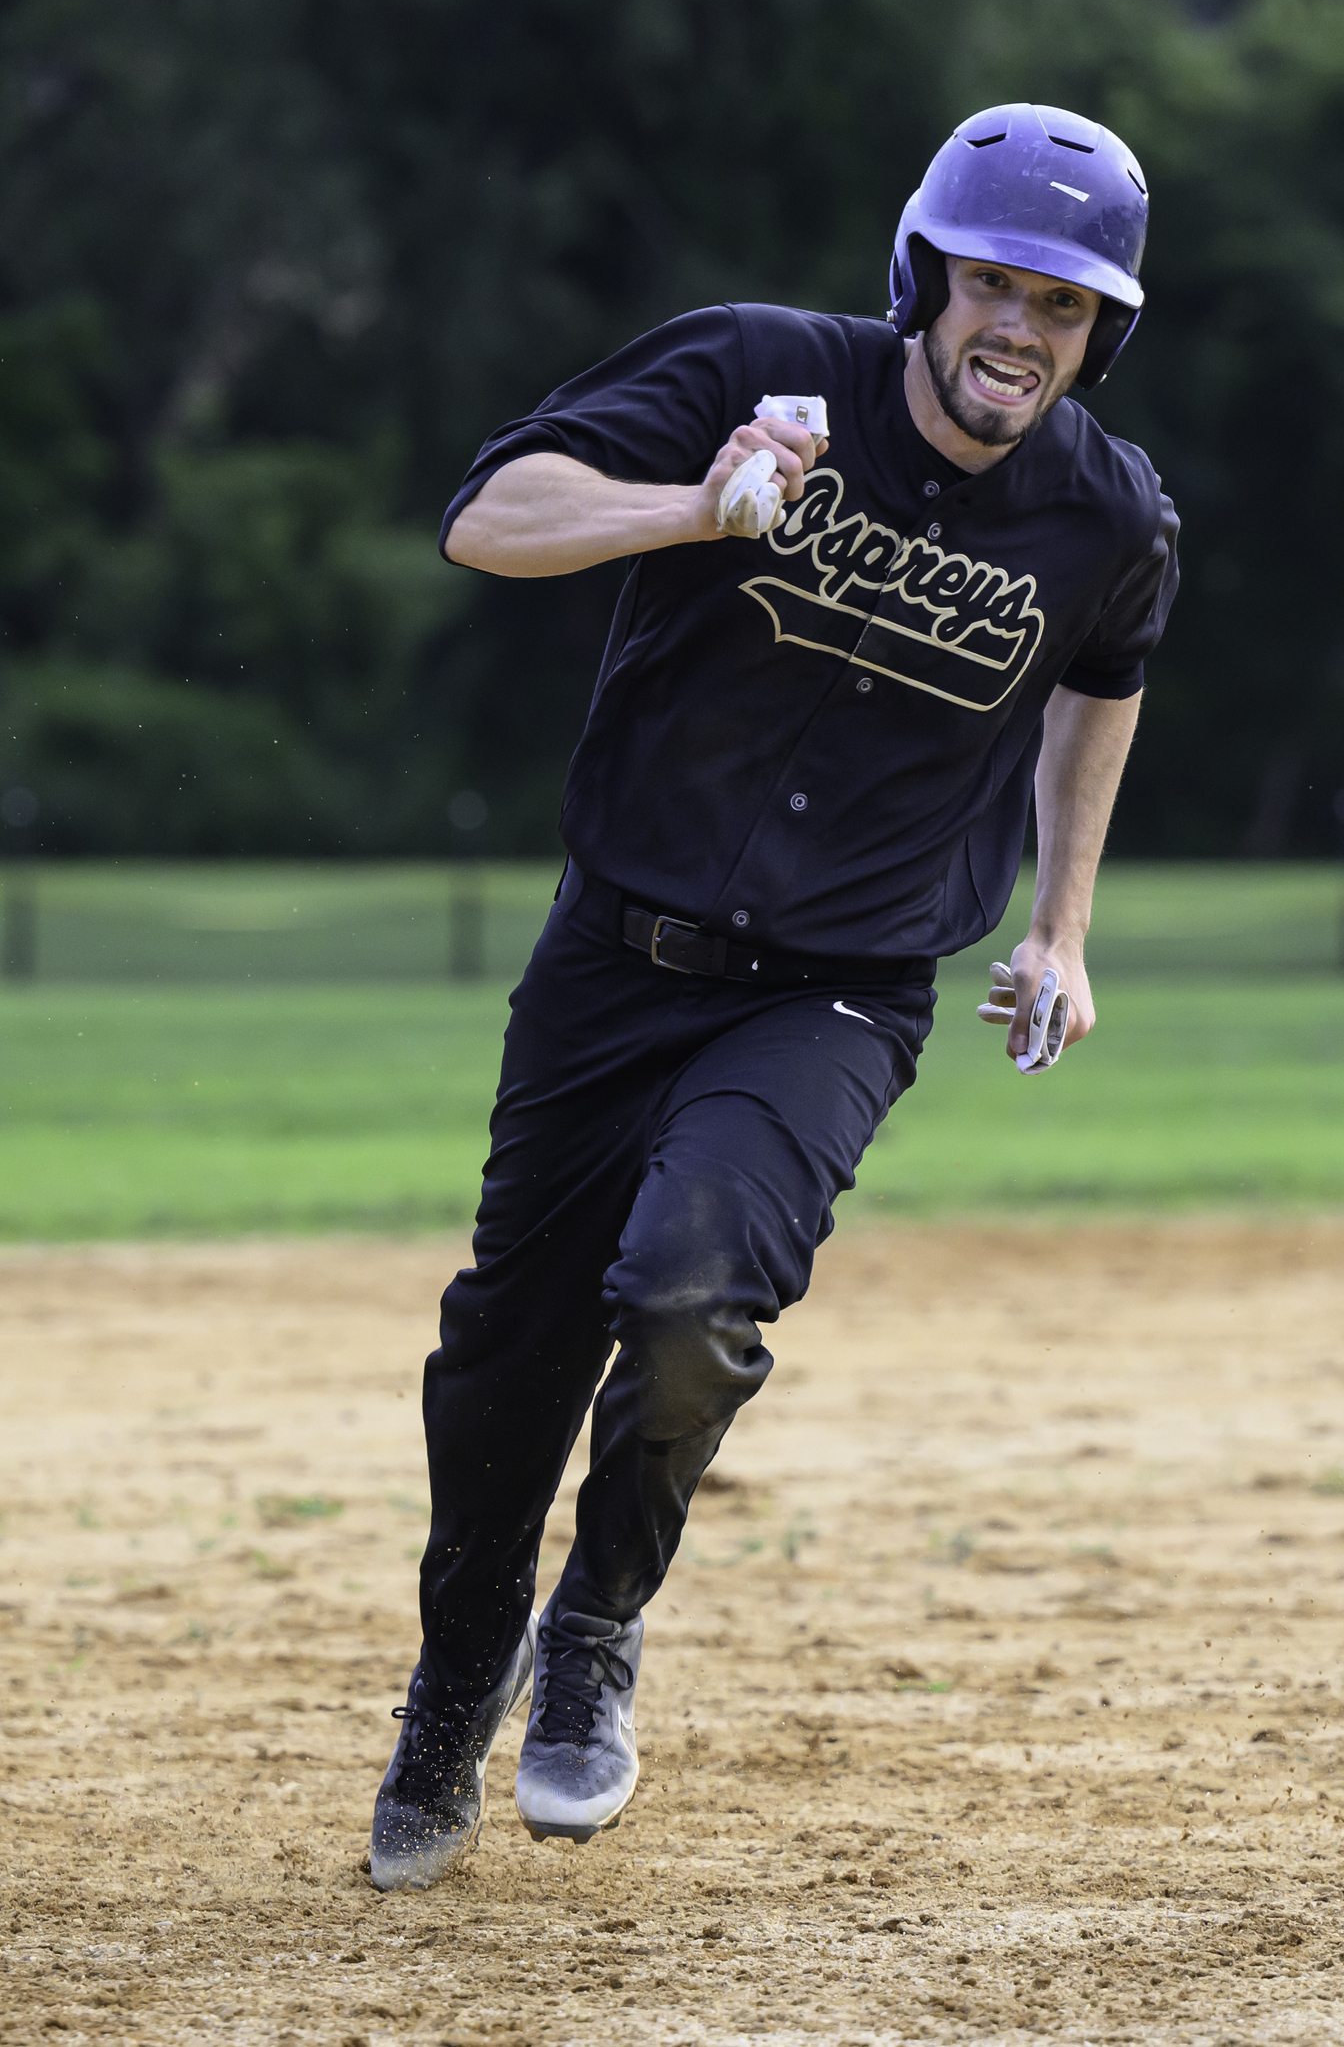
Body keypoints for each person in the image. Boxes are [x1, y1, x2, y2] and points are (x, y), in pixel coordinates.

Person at [368, 102, 1179, 1889]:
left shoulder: (1108, 514)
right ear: (924, 277)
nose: (1017, 335)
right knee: (508, 1358)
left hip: (835, 989)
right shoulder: (755, 372)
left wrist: (1065, 924)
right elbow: (490, 518)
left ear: (1099, 331)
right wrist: (694, 505)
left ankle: (594, 1622)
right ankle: (456, 1671)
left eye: (1062, 308)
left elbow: (1102, 676)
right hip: (618, 958)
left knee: (686, 1297)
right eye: (990, 286)